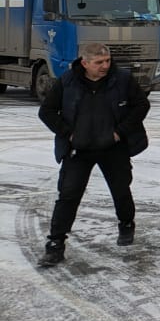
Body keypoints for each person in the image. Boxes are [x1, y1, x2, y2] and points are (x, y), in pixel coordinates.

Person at [37, 42, 150, 267]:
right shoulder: (67, 82)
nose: (105, 66)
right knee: (68, 195)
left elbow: (141, 106)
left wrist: (120, 133)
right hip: (79, 149)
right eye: (99, 62)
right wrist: (68, 134)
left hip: (112, 148)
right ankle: (56, 244)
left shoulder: (122, 79)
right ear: (85, 62)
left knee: (120, 190)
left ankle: (126, 223)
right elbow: (46, 112)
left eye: (107, 61)